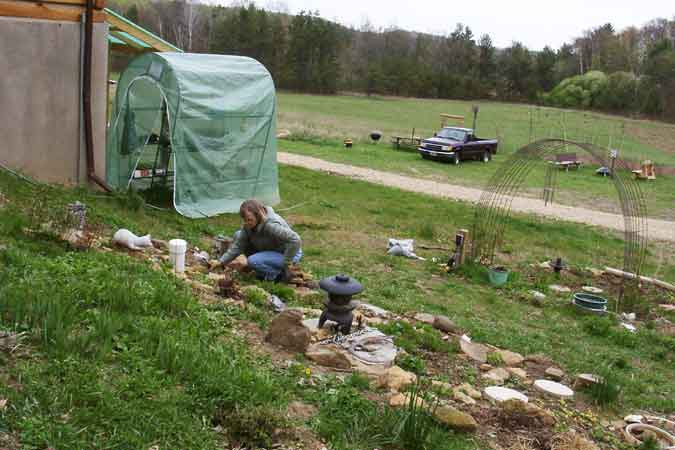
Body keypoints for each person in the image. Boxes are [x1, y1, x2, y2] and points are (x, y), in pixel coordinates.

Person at [219, 199, 302, 282]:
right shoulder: (249, 225)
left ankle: (277, 275)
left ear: (258, 215)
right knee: (238, 234)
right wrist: (221, 261)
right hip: (271, 248)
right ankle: (261, 266)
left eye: (249, 220)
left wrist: (286, 264)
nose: (247, 223)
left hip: (288, 253)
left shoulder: (271, 225)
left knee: (253, 261)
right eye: (245, 220)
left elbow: (295, 240)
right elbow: (238, 246)